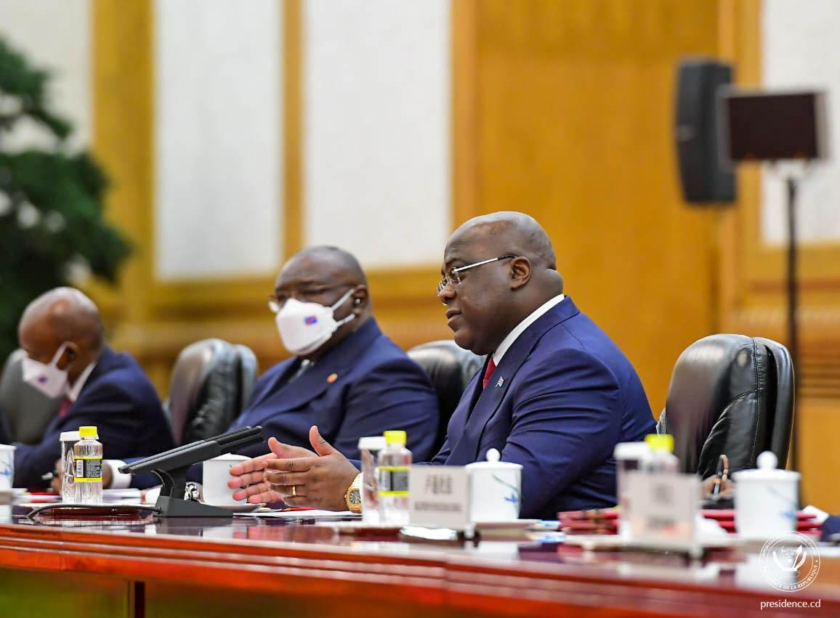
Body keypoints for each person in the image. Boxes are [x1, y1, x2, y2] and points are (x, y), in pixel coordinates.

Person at [228, 212, 656, 519]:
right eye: (443, 279)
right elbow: (448, 472)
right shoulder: (509, 356)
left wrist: (358, 491)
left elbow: (504, 495)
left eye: (457, 274)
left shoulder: (571, 364)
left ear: (518, 272)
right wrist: (329, 477)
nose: (444, 293)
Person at [105, 246, 439, 489]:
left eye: (309, 293)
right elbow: (216, 459)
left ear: (357, 300)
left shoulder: (387, 373)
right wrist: (117, 472)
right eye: (282, 298)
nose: (291, 309)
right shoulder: (281, 374)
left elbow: (354, 487)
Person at [10, 287, 173, 487]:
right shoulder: (89, 380)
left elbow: (37, 468)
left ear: (69, 354)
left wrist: (7, 456)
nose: (27, 366)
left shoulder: (116, 393)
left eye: (34, 356)